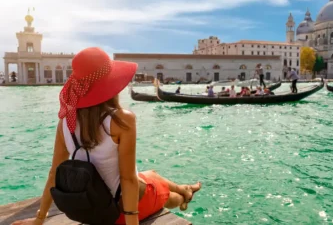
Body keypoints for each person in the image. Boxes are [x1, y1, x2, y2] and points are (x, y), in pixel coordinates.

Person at [11, 48, 201, 225]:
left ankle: (185, 187)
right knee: (165, 194)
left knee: (151, 174)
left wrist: (39, 219)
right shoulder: (121, 119)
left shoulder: (65, 122)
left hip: (91, 206)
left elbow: (54, 173)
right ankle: (184, 196)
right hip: (116, 213)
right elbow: (127, 180)